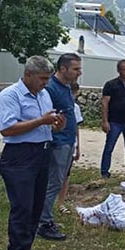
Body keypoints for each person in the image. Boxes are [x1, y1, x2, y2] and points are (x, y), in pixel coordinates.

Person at [0, 56, 66, 250]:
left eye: (47, 79)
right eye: (42, 78)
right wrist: (41, 121)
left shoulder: (43, 96)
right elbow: (8, 129)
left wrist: (56, 126)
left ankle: (25, 247)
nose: (45, 83)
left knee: (36, 205)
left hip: (41, 153)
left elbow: (45, 128)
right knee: (22, 206)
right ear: (28, 75)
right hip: (19, 157)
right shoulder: (9, 96)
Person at [36, 53, 83, 241]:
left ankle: (45, 218)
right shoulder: (51, 89)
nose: (80, 72)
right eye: (76, 69)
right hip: (58, 143)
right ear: (63, 69)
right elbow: (46, 116)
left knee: (58, 181)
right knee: (53, 182)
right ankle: (43, 223)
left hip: (68, 141)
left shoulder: (65, 87)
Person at [56, 83, 84, 215]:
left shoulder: (75, 107)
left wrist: (77, 145)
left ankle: (60, 203)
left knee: (66, 176)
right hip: (58, 144)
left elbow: (75, 127)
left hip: (71, 144)